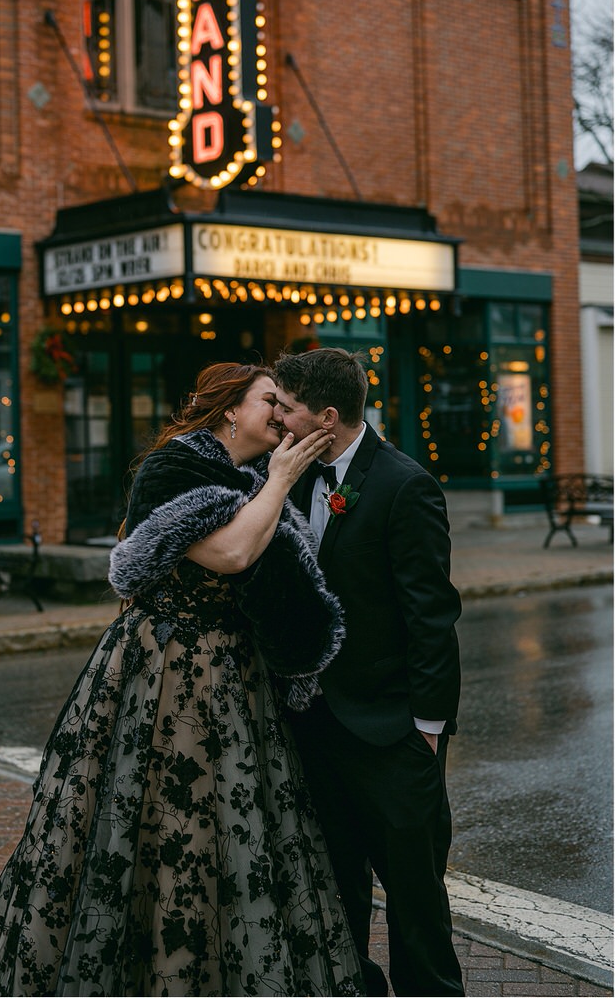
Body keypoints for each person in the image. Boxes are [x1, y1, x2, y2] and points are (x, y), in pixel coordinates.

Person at [0, 361, 365, 998]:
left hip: (239, 678)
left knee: (238, 831)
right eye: (272, 403)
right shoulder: (176, 468)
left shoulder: (259, 476)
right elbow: (231, 554)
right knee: (158, 826)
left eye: (288, 407)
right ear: (231, 409)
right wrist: (282, 482)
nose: (284, 418)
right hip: (167, 673)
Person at [272, 347, 464, 998]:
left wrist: (428, 730)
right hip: (317, 727)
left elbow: (431, 615)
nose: (278, 419)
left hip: (392, 734)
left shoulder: (405, 485)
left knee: (415, 905)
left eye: (288, 409)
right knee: (334, 893)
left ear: (328, 417)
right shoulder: (291, 477)